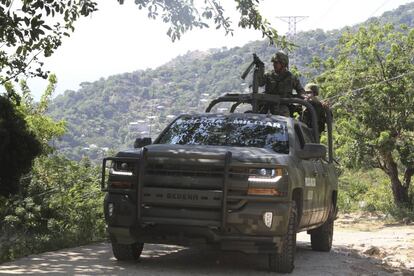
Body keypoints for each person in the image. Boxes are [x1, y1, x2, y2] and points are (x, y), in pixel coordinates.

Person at [256, 51, 305, 116]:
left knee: (285, 119)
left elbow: (301, 91)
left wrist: (303, 98)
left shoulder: (291, 78)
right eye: (273, 62)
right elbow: (260, 83)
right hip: (267, 106)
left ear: (283, 63)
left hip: (283, 107)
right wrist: (260, 68)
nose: (274, 64)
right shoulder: (268, 75)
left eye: (276, 62)